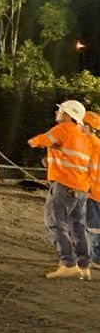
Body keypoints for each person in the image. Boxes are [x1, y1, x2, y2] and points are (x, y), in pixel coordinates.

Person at [28, 99, 92, 279]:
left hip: (64, 186)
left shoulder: (63, 129)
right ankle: (83, 266)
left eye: (60, 111)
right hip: (81, 188)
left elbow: (42, 140)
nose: (57, 113)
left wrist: (32, 141)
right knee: (78, 227)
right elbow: (73, 160)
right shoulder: (83, 138)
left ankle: (68, 264)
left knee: (55, 224)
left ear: (68, 115)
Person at [81, 110, 100, 271]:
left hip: (93, 192)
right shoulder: (94, 142)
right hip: (95, 191)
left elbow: (90, 170)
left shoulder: (92, 144)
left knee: (92, 226)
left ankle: (95, 258)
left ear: (87, 126)